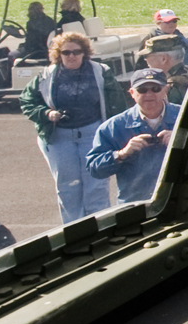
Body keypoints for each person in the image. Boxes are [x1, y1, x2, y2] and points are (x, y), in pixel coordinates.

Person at [20, 32, 126, 222]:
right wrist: (46, 114)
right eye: (66, 52)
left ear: (85, 53)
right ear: (58, 54)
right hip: (59, 137)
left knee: (97, 184)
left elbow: (117, 103)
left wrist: (115, 135)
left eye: (76, 52)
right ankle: (73, 230)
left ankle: (102, 228)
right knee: (67, 186)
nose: (71, 56)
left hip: (92, 134)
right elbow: (27, 101)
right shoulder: (46, 75)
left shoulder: (100, 71)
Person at [88, 70, 182, 204]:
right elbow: (94, 169)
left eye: (155, 88)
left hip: (179, 201)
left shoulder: (186, 118)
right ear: (132, 93)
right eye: (142, 89)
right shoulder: (114, 127)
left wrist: (183, 141)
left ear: (165, 90)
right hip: (135, 205)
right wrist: (121, 154)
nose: (149, 94)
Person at [21, 0, 58, 64]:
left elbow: (31, 41)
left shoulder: (31, 23)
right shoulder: (49, 20)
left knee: (12, 55)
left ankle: (8, 74)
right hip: (44, 49)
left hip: (36, 51)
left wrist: (23, 46)